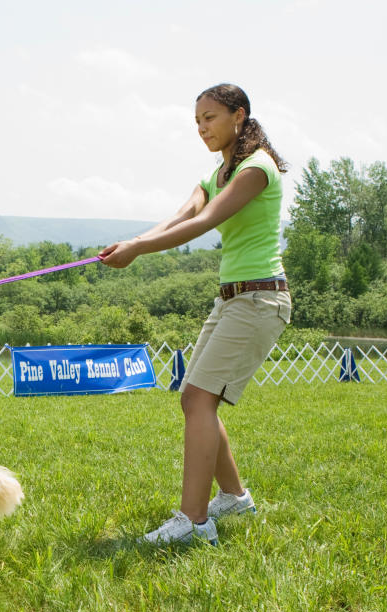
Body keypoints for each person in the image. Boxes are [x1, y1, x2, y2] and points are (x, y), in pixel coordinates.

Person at [100, 83, 292, 546]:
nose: (202, 128)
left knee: (201, 399)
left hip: (260, 299)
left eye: (210, 118)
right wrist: (132, 243)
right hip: (231, 299)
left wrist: (138, 250)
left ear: (238, 116)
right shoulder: (218, 172)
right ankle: (234, 497)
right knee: (194, 398)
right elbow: (180, 215)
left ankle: (194, 522)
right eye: (197, 122)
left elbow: (203, 224)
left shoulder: (256, 168)